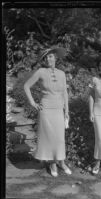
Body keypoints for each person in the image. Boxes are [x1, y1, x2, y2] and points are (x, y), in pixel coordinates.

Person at [24, 46, 72, 177]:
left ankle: (61, 162)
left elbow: (65, 93)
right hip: (46, 110)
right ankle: (52, 163)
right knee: (49, 138)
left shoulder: (62, 74)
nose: (48, 59)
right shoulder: (40, 71)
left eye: (50, 56)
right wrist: (33, 103)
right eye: (45, 57)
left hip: (58, 110)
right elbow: (26, 86)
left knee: (60, 138)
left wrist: (66, 110)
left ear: (55, 57)